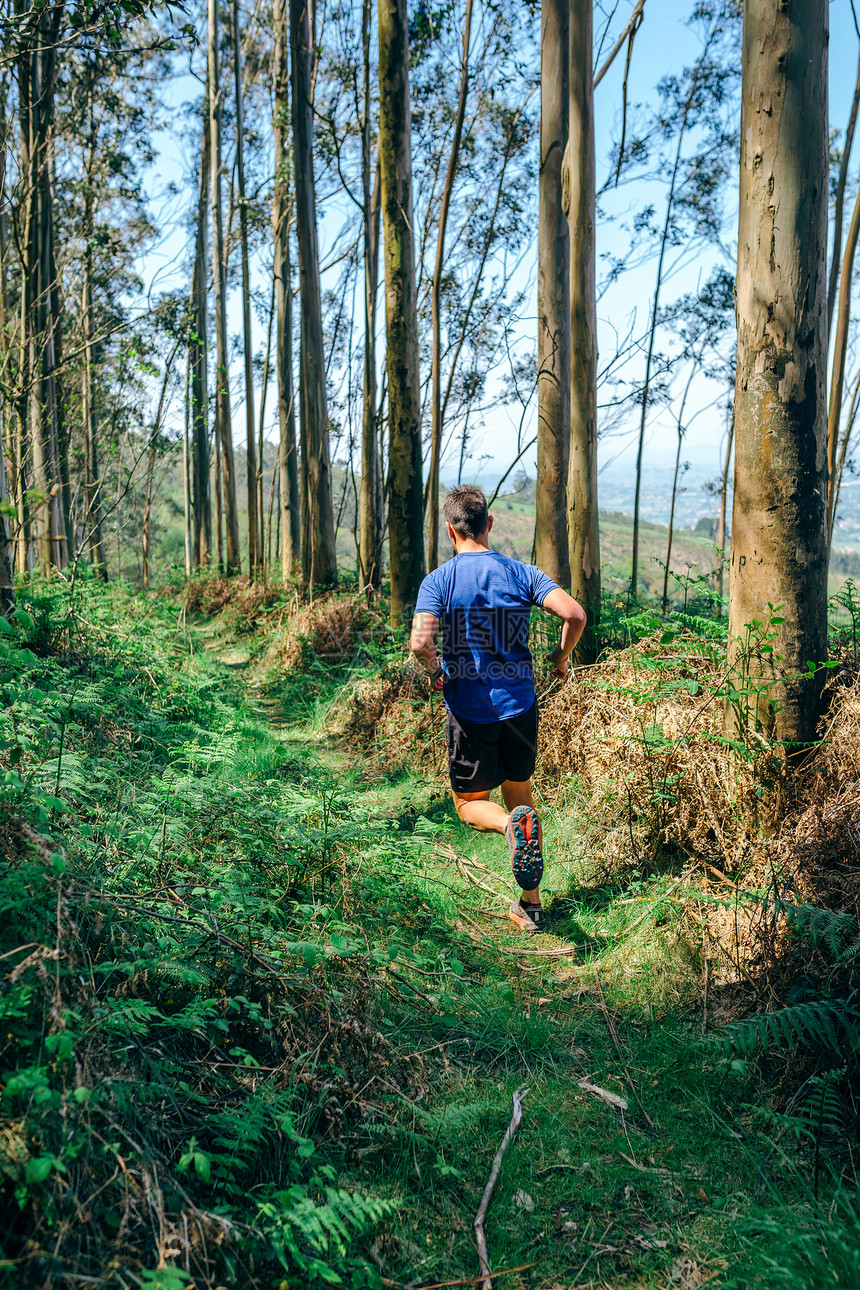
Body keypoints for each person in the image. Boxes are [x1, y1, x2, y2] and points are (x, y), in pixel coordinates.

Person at [410, 484, 587, 931]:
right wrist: (560, 659)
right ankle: (531, 903)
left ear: (451, 530)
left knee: (469, 804)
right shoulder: (521, 573)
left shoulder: (439, 581)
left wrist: (435, 671)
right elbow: (575, 615)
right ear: (488, 524)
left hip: (470, 711)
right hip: (521, 707)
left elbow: (420, 641)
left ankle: (509, 828)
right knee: (521, 795)